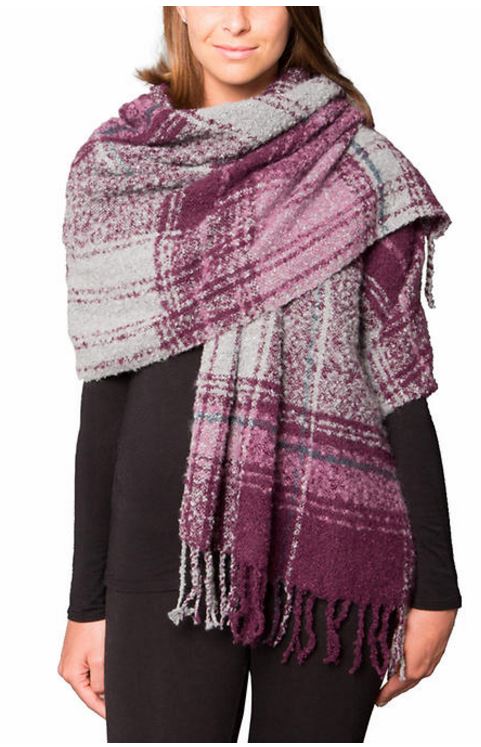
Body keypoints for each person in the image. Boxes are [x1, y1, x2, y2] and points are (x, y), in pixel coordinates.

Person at [57, 6, 462, 743]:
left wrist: (437, 585)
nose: (238, 20)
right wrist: (87, 603)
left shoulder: (360, 168)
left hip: (330, 550)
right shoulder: (116, 170)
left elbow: (401, 388)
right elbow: (105, 395)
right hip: (163, 555)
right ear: (178, 8)